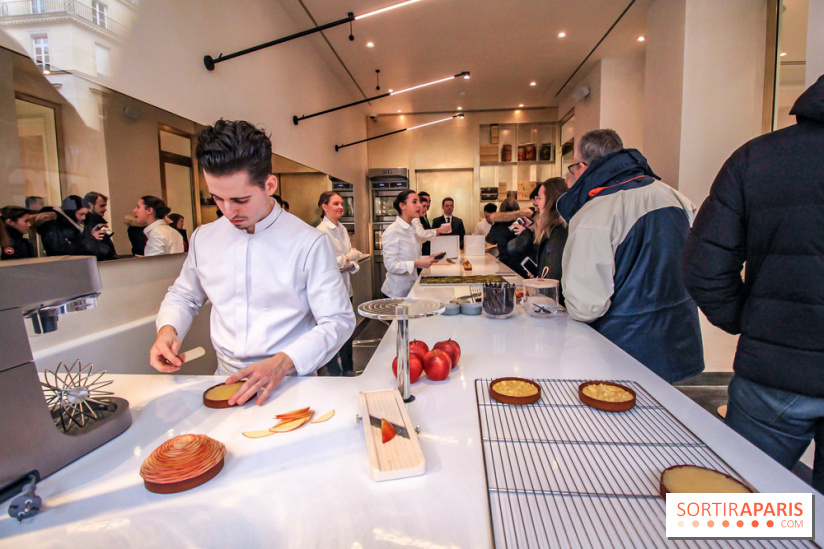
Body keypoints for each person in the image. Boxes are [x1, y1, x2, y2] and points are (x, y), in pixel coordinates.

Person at [682, 75, 824, 493]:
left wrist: (753, 320)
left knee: (740, 506)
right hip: (772, 369)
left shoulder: (757, 158)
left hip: (774, 374)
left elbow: (702, 267)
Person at [150, 119, 355, 406]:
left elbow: (337, 321)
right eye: (217, 198)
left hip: (289, 382)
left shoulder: (308, 243)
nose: (228, 211)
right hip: (225, 380)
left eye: (240, 199)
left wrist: (283, 362)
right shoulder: (203, 238)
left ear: (269, 185)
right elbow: (184, 295)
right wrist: (168, 329)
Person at [558, 128, 703, 383]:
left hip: (623, 353)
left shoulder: (596, 214)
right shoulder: (675, 196)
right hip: (680, 343)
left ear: (582, 166)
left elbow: (586, 306)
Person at [316, 190, 363, 376]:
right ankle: (335, 373)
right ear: (324, 206)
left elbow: (352, 258)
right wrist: (346, 259)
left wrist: (348, 262)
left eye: (342, 203)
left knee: (348, 330)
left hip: (346, 289)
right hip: (330, 293)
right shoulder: (320, 232)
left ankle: (349, 369)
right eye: (336, 203)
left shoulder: (342, 229)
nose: (341, 207)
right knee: (333, 334)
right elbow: (325, 264)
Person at [381, 190, 440, 298]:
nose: (419, 205)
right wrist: (418, 263)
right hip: (395, 294)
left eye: (419, 202)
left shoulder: (412, 229)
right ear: (402, 205)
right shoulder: (392, 231)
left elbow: (410, 256)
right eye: (414, 202)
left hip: (411, 289)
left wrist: (429, 258)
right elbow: (390, 266)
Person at [31, 195, 109, 258]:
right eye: (81, 214)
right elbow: (60, 252)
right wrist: (90, 238)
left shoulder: (77, 224)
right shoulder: (52, 225)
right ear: (71, 212)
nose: (84, 218)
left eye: (85, 214)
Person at [486, 197, 532, 276]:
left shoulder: (498, 225)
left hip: (505, 264)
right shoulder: (524, 222)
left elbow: (490, 239)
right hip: (523, 265)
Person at [82, 191, 117, 260]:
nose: (105, 209)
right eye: (102, 206)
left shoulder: (98, 222)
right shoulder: (83, 225)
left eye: (105, 205)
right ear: (89, 205)